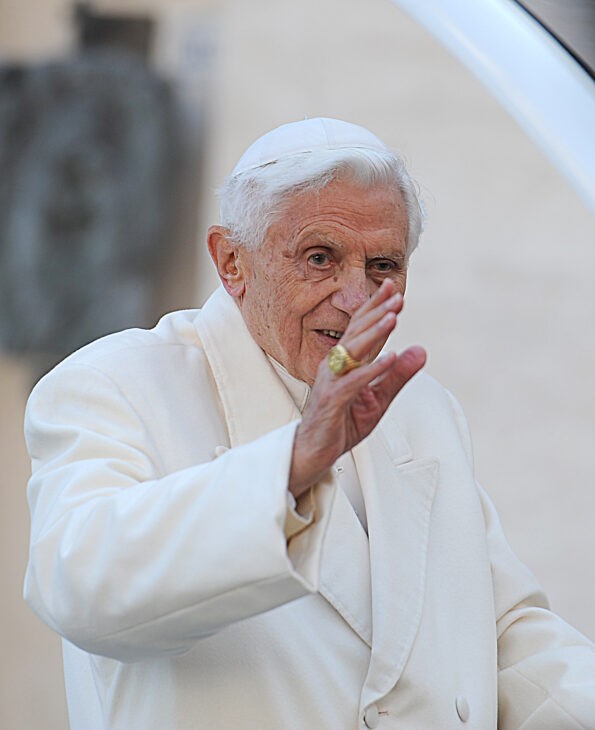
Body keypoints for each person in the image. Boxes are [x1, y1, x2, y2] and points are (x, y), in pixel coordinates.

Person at [24, 118, 595, 729]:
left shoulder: (420, 408)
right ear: (231, 262)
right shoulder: (117, 383)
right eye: (320, 258)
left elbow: (500, 633)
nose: (355, 297)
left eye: (383, 265)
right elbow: (81, 589)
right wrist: (293, 464)